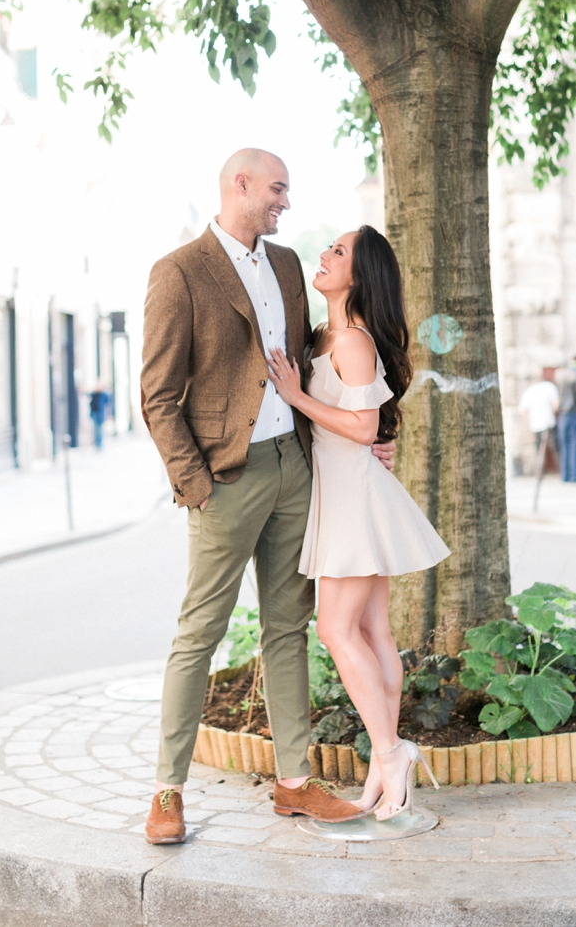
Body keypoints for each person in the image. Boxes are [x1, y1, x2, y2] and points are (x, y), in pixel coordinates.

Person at [140, 148, 396, 844]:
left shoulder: (285, 264)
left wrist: (371, 424)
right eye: (278, 188)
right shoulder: (179, 272)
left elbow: (322, 347)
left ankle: (293, 782)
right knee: (200, 632)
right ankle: (167, 790)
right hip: (226, 477)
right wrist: (195, 485)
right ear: (240, 185)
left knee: (290, 629)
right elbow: (159, 396)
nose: (286, 200)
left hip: (297, 469)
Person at [266, 226, 450, 820]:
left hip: (353, 498)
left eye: (338, 252)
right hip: (347, 492)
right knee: (372, 632)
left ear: (359, 275)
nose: (324, 255)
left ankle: (391, 751)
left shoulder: (352, 341)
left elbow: (365, 427)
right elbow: (371, 425)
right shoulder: (326, 335)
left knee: (335, 630)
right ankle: (383, 766)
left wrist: (296, 395)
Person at [555, 357, 576, 483]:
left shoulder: (559, 375)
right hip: (574, 414)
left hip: (563, 415)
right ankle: (574, 476)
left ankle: (565, 475)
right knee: (574, 445)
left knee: (564, 446)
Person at [518, 375, 559, 468]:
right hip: (548, 422)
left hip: (535, 424)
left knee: (539, 449)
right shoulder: (550, 387)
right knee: (554, 449)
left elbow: (522, 410)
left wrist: (533, 415)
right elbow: (555, 406)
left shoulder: (529, 390)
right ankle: (560, 471)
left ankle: (539, 471)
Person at [88, 384, 110, 449]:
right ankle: (97, 444)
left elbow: (107, 401)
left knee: (100, 429)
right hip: (95, 414)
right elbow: (90, 400)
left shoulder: (103, 395)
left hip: (101, 414)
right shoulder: (94, 395)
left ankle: (100, 444)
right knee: (95, 429)